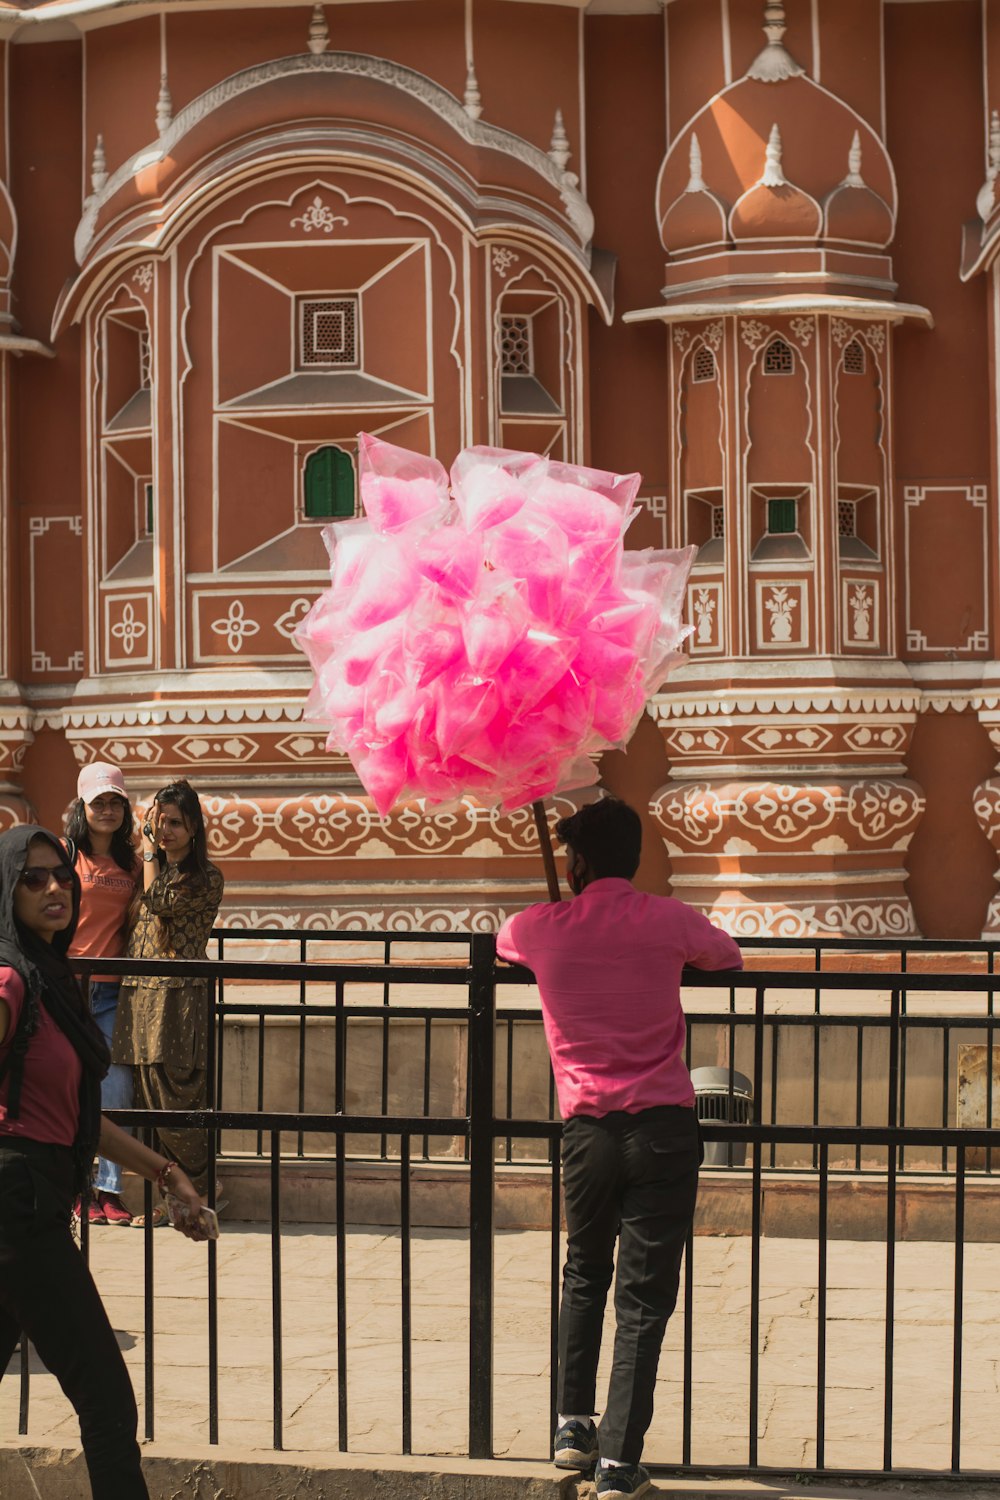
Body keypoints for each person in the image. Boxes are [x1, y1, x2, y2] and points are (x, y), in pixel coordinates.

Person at [496, 797, 743, 1500]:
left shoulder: (538, 928)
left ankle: (572, 1426)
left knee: (583, 1273)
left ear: (575, 864)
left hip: (587, 1134)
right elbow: (726, 956)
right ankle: (617, 1463)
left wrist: (561, 926)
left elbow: (502, 945)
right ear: (636, 859)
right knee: (642, 1300)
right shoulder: (667, 918)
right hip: (662, 1127)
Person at [0, 824, 212, 1500]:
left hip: (31, 1198)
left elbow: (79, 1115)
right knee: (105, 1394)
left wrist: (165, 1172)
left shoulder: (48, 976)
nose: (55, 887)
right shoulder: (8, 978)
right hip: (17, 1205)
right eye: (33, 878)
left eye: (62, 874)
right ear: (6, 891)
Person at [113, 780, 224, 1223]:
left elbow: (159, 903)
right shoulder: (150, 871)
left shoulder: (205, 878)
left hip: (178, 1000)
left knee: (178, 1097)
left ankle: (200, 1190)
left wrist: (147, 853)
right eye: (159, 822)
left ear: (194, 827)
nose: (165, 831)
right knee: (148, 1097)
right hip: (140, 995)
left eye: (175, 823)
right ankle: (170, 1200)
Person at [66, 762, 141, 1226]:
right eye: (99, 803)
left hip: (112, 993)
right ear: (83, 807)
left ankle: (110, 1191)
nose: (108, 810)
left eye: (116, 802)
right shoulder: (63, 855)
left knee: (115, 1089)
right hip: (67, 993)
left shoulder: (133, 863)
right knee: (69, 1090)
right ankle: (78, 1189)